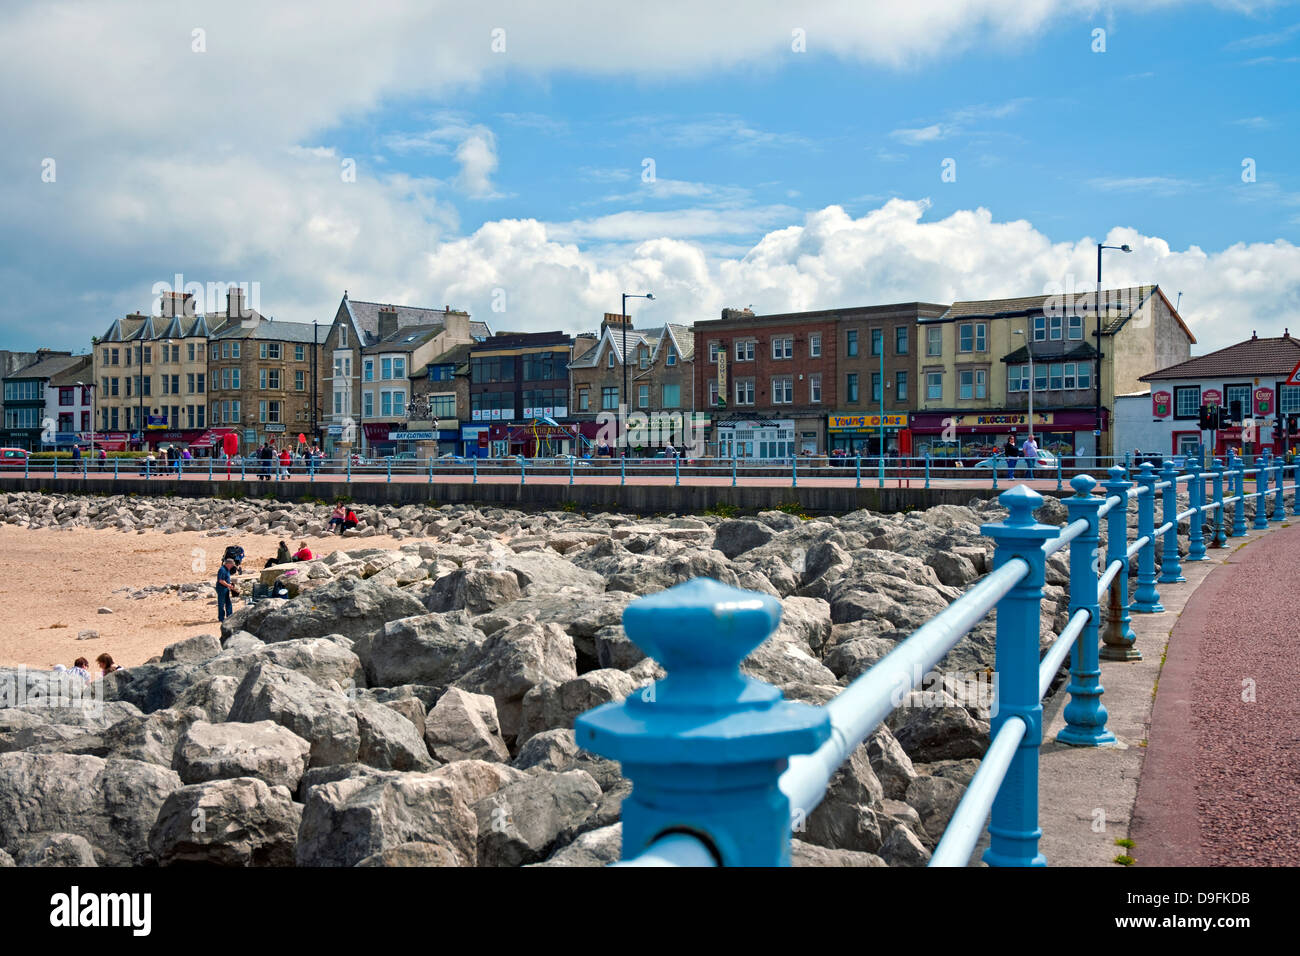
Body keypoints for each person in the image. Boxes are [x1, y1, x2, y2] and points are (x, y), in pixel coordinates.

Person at [216, 557, 239, 622]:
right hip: (221, 588)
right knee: (221, 603)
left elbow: (225, 579)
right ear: (228, 564)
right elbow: (221, 580)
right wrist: (229, 585)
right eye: (232, 565)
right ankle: (221, 618)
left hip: (225, 588)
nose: (232, 566)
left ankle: (230, 616)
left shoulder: (227, 569)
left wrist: (230, 584)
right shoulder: (222, 570)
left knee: (228, 602)